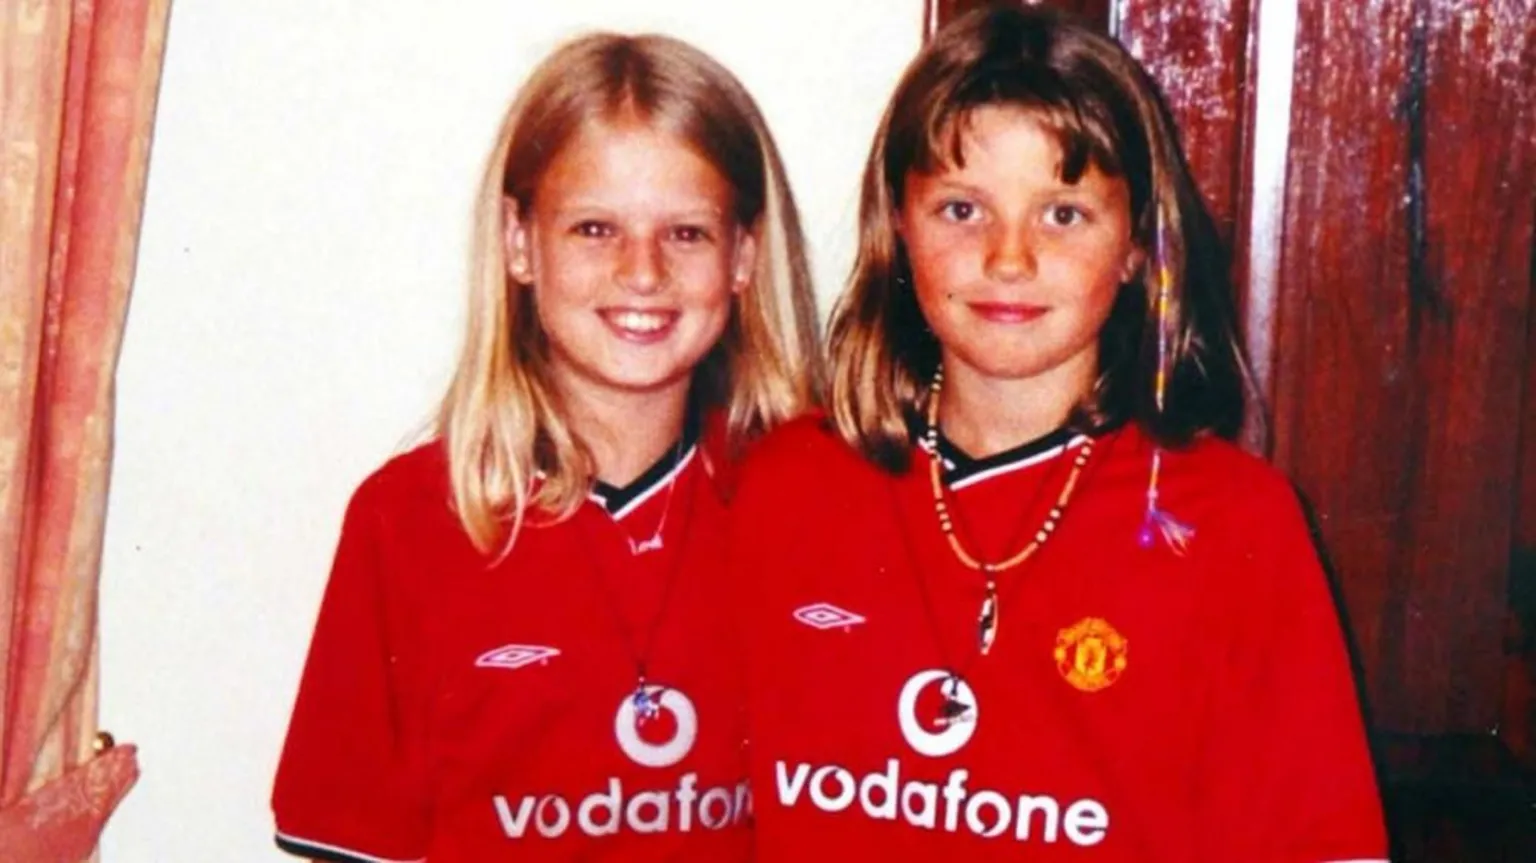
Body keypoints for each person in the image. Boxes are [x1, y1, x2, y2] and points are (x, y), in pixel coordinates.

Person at [732, 5, 1387, 860]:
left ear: (1137, 245)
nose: (1010, 259)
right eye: (962, 210)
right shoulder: (788, 483)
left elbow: (1325, 843)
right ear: (898, 222)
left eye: (1064, 214)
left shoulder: (1235, 522)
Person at [271, 31, 820, 862]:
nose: (642, 273)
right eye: (595, 229)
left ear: (743, 253)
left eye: (686, 233)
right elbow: (354, 837)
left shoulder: (810, 512)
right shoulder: (410, 520)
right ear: (521, 241)